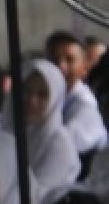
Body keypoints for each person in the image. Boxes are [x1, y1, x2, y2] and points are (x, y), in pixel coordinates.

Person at [4, 59, 80, 202]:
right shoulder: (7, 128)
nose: (31, 100)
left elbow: (36, 197)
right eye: (26, 91)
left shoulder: (59, 143)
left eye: (43, 95)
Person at [46, 30, 108, 158]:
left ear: (84, 68)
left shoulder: (84, 104)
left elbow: (59, 148)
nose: (61, 66)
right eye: (54, 59)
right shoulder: (44, 97)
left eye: (70, 60)